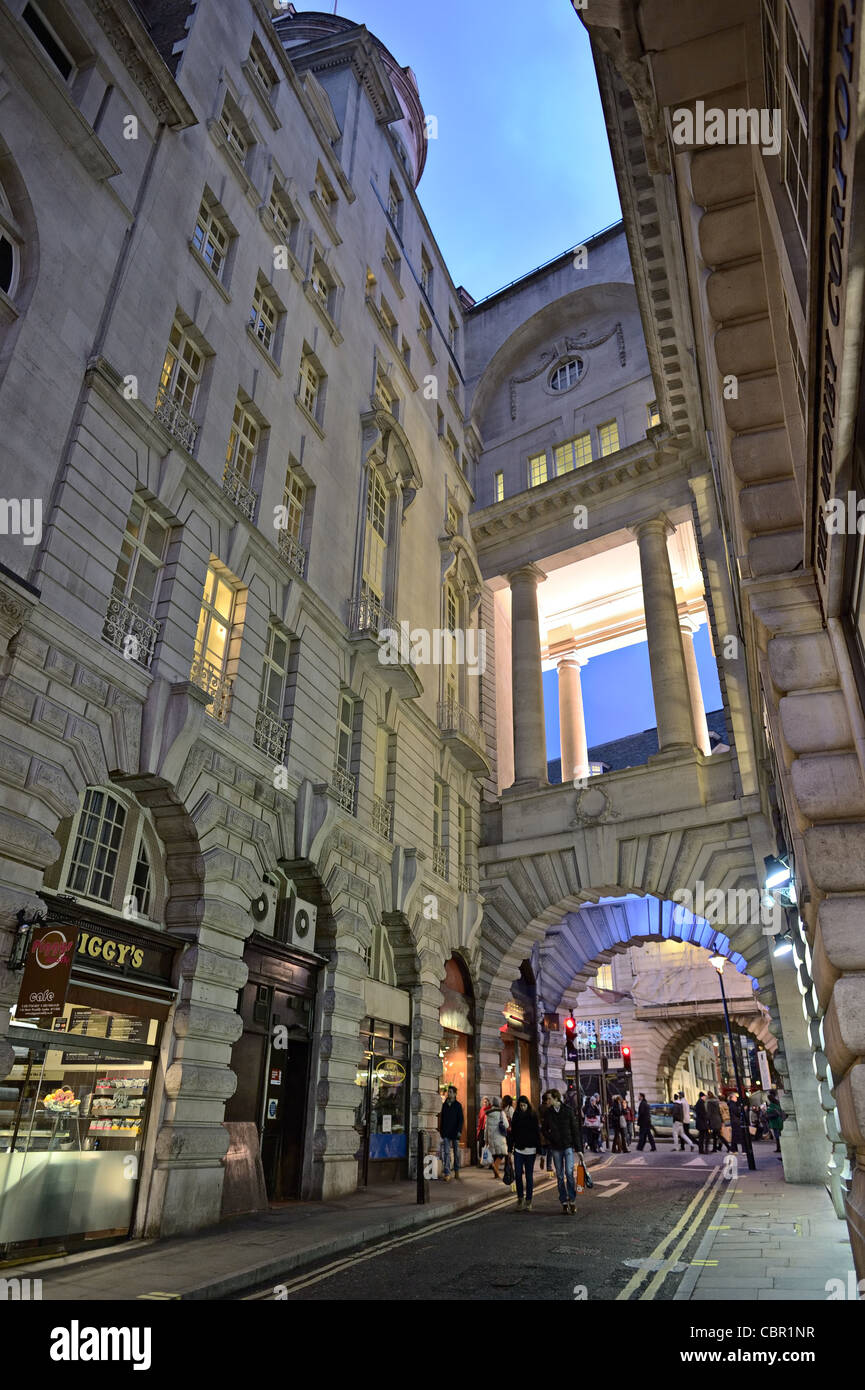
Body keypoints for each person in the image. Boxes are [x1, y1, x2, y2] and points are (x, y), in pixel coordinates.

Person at [542, 1087, 581, 1213]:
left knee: (569, 1173)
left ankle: (572, 1200)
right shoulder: (548, 1113)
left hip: (568, 1146)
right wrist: (551, 1138)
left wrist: (579, 1149)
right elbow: (543, 1129)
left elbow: (575, 1130)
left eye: (548, 1099)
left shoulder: (568, 1111)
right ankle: (564, 1201)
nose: (546, 1101)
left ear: (556, 1098)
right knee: (559, 1176)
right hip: (555, 1148)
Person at [510, 1094, 542, 1210]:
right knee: (518, 1175)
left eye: (524, 1105)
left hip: (530, 1150)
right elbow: (512, 1133)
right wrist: (509, 1149)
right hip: (518, 1149)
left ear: (528, 1105)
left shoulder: (533, 1116)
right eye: (521, 1106)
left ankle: (529, 1201)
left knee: (529, 1176)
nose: (522, 1107)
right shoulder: (516, 1115)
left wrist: (540, 1150)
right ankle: (520, 1199)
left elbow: (537, 1133)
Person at [439, 1085, 464, 1181]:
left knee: (456, 1152)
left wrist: (459, 1131)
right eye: (448, 1092)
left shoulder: (458, 1105)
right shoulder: (444, 1105)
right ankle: (447, 1173)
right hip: (446, 1132)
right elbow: (443, 1118)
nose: (448, 1093)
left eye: (450, 1092)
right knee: (446, 1153)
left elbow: (460, 1120)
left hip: (455, 1133)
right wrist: (441, 1131)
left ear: (454, 1094)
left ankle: (457, 1170)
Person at [484, 1097, 509, 1179]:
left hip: (491, 1137)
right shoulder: (501, 1113)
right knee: (502, 1153)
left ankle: (496, 1174)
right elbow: (506, 1125)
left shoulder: (488, 1114)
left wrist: (486, 1139)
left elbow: (486, 1128)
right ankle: (495, 1166)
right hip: (499, 1136)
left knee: (495, 1154)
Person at [766, 1089, 785, 1158]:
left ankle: (779, 1148)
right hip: (777, 1122)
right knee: (777, 1135)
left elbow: (775, 1113)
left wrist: (768, 1114)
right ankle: (779, 1148)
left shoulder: (772, 1105)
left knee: (777, 1136)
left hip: (775, 1122)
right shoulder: (776, 1103)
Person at [477, 1096, 491, 1164]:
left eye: (486, 1102)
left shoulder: (490, 1109)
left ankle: (490, 1162)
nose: (485, 1103)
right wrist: (478, 1130)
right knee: (481, 1145)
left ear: (489, 1102)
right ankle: (481, 1161)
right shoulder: (482, 1109)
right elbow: (480, 1119)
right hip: (482, 1129)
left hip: (488, 1130)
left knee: (488, 1146)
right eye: (484, 1102)